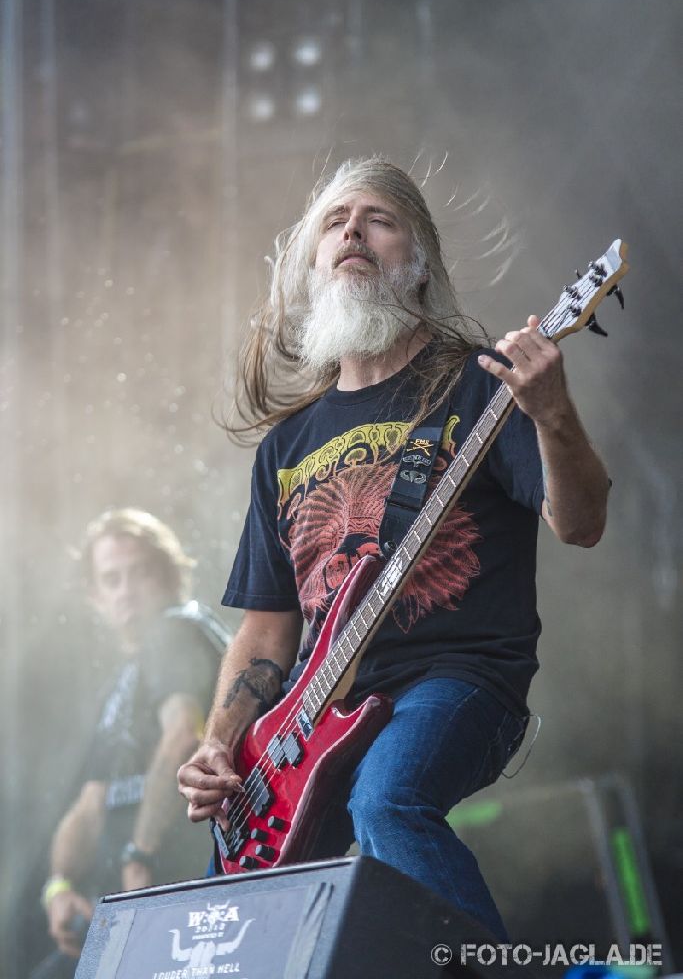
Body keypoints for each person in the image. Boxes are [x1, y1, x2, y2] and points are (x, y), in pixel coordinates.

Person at [177, 157, 610, 939]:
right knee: (231, 912)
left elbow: (579, 524)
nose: (352, 232)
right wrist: (218, 744)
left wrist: (552, 415)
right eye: (334, 222)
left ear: (419, 264)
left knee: (387, 800)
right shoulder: (286, 447)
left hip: (455, 678)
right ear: (311, 265)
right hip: (311, 717)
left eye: (378, 219)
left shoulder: (479, 387)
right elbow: (266, 627)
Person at [33, 508, 230, 979]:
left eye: (140, 572)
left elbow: (183, 735)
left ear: (169, 575)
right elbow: (89, 803)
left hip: (178, 892)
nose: (126, 590)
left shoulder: (176, 630)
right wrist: (58, 887)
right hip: (126, 903)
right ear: (95, 596)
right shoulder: (123, 683)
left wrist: (140, 856)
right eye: (112, 579)